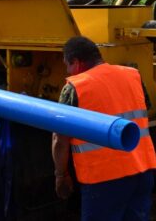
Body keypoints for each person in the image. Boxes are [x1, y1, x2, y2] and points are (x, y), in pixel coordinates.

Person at [52, 36, 156, 221]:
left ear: (76, 62)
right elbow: (141, 111)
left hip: (104, 180)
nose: (67, 71)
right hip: (142, 171)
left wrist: (61, 175)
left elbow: (59, 140)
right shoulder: (133, 75)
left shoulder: (74, 88)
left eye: (67, 65)